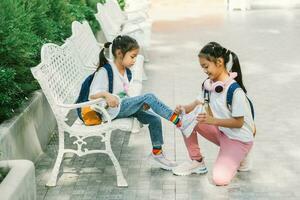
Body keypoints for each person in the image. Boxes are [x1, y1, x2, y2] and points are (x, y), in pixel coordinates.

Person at [89, 35, 189, 170]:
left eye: (136, 57)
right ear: (119, 53)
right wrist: (106, 95)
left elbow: (123, 94)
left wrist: (140, 104)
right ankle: (179, 121)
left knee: (154, 119)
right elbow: (92, 95)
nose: (135, 60)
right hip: (110, 111)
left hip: (122, 106)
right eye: (132, 56)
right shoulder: (105, 70)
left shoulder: (126, 72)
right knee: (149, 96)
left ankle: (157, 153)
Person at [172, 42, 255, 186]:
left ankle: (241, 154)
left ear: (219, 62)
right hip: (222, 132)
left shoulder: (235, 91)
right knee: (185, 119)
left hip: (238, 138)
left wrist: (212, 120)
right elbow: (195, 105)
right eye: (202, 67)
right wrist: (183, 109)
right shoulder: (209, 85)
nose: (204, 70)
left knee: (220, 179)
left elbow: (239, 123)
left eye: (206, 66)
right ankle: (197, 161)